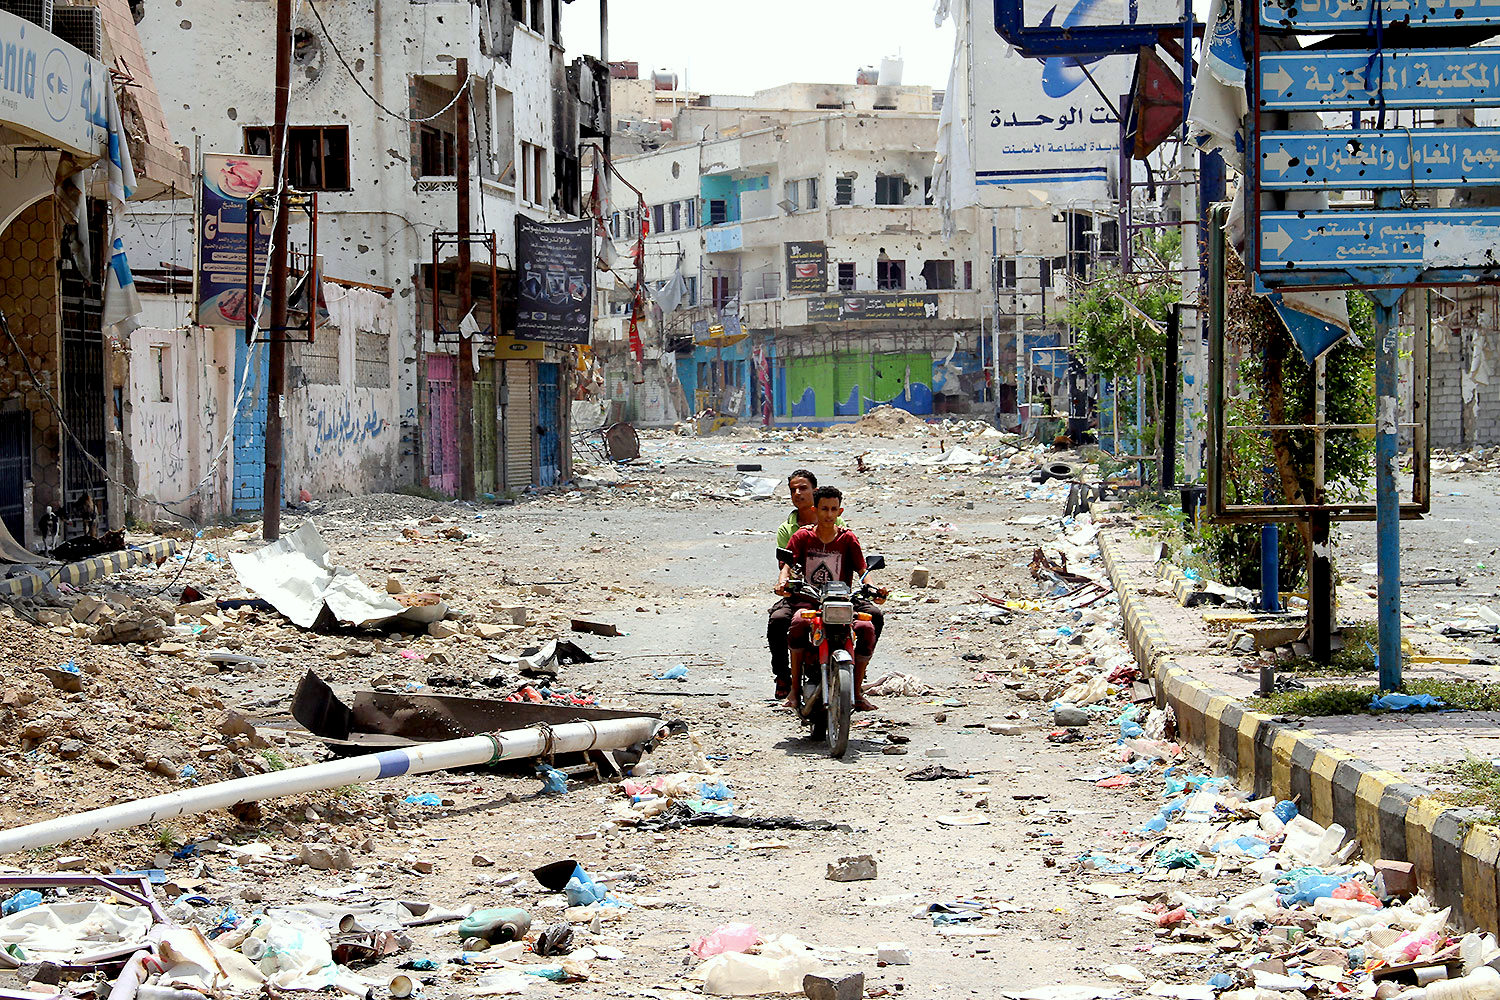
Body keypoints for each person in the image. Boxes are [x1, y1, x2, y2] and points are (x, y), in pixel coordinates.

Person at [777, 486, 879, 712]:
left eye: (834, 509)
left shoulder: (848, 538)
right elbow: (787, 564)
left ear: (840, 511)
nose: (829, 514)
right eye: (824, 509)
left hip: (841, 601)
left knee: (868, 626)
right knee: (798, 623)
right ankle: (794, 689)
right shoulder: (802, 536)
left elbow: (862, 569)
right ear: (815, 510)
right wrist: (782, 581)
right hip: (810, 599)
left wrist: (873, 587)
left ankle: (857, 689)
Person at [766, 469, 843, 699]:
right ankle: (783, 676)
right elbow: (785, 566)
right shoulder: (789, 531)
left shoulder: (838, 525)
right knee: (779, 621)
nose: (798, 493)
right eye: (793, 490)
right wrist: (785, 582)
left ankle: (854, 677)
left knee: (865, 621)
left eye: (803, 488)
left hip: (834, 591)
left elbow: (850, 558)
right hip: (802, 591)